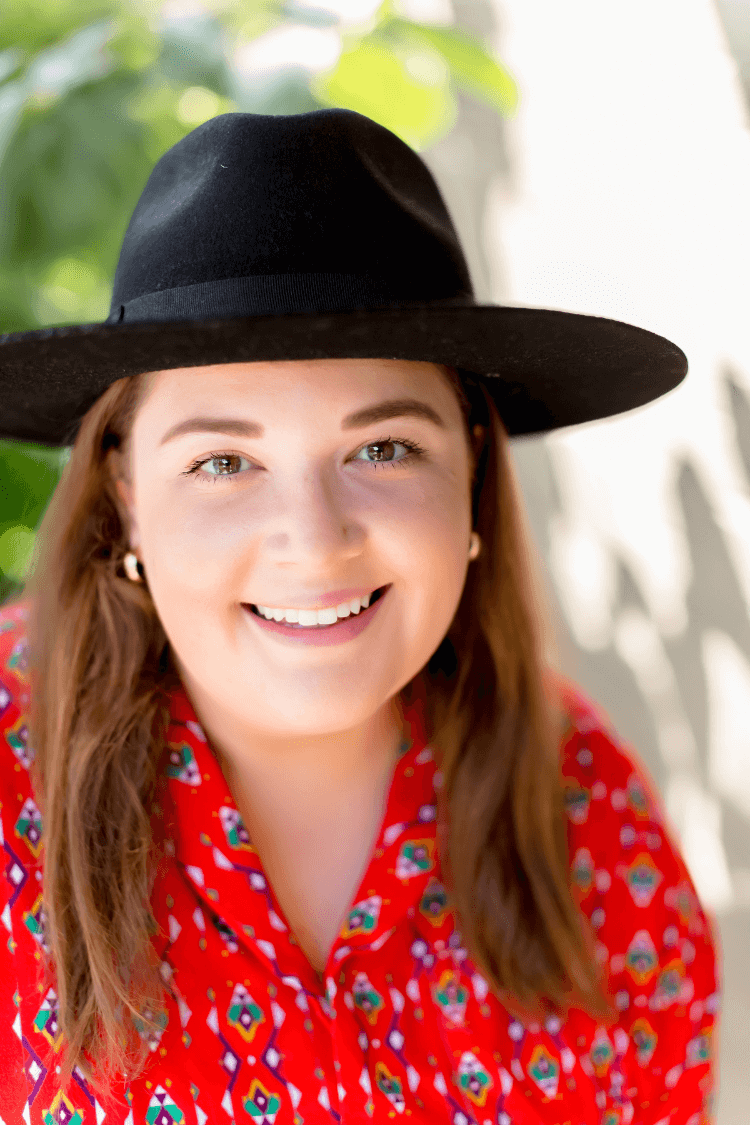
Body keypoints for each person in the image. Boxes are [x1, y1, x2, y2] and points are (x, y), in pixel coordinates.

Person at [0, 109, 719, 1124]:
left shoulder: (598, 843)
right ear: (124, 495)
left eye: (382, 450)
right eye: (223, 461)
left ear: (471, 471)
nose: (314, 537)